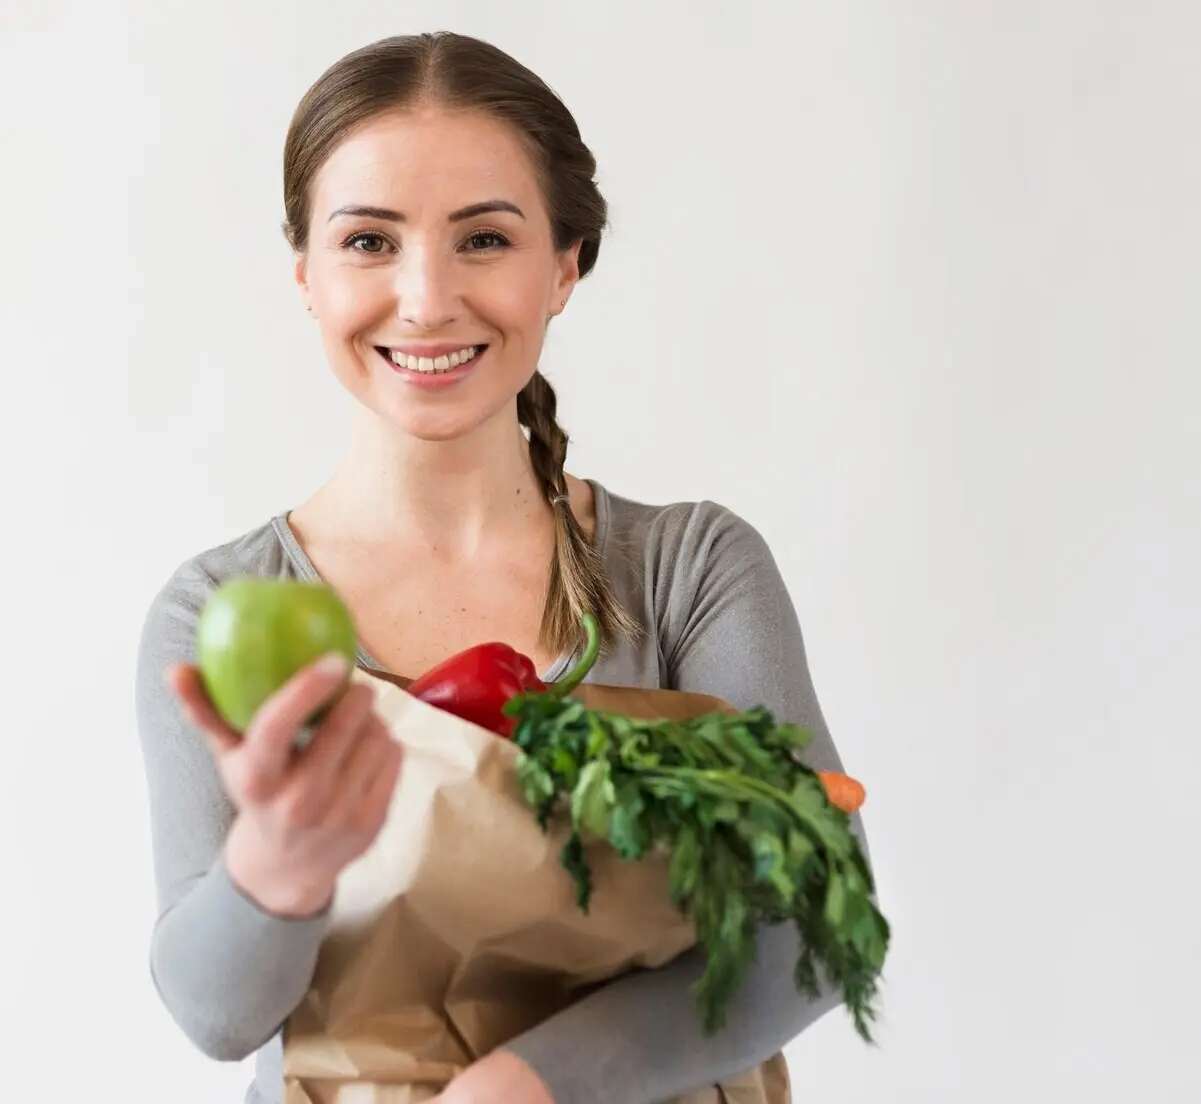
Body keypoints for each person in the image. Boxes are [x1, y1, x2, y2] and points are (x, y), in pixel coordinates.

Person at [135, 31, 867, 1104]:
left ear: (564, 266)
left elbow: (815, 919)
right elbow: (217, 1016)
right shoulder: (221, 610)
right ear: (306, 276)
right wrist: (272, 870)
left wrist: (529, 1085)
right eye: (369, 241)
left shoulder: (689, 572)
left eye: (483, 239)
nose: (427, 299)